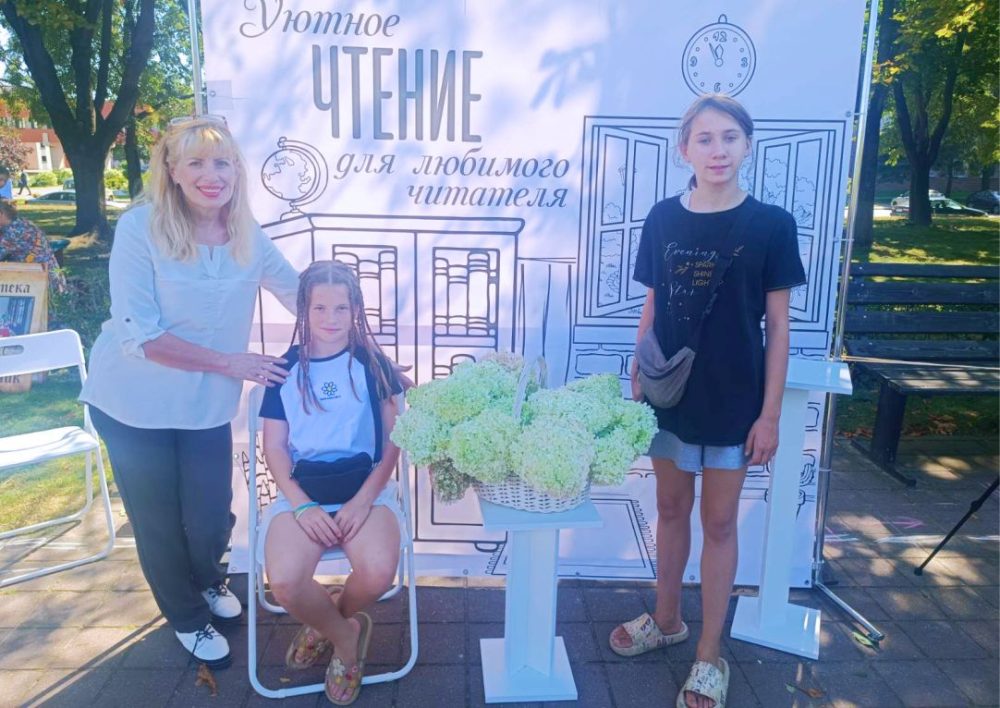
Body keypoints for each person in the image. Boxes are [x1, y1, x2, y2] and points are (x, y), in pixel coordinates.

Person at [80, 116, 301, 669]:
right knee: (158, 522)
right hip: (132, 403)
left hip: (204, 404)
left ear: (237, 172)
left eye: (222, 162)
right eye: (196, 162)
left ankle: (207, 580)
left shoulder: (248, 235)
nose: (211, 174)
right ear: (172, 171)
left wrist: (366, 351)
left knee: (209, 516)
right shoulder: (140, 228)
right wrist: (231, 362)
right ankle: (186, 617)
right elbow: (140, 333)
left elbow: (304, 295)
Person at [609, 94, 806, 708]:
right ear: (684, 149)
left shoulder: (772, 225)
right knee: (670, 508)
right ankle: (666, 619)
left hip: (735, 399)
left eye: (729, 137)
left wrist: (769, 414)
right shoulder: (662, 218)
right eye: (704, 138)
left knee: (719, 523)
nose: (718, 150)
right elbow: (653, 302)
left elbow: (779, 327)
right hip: (670, 393)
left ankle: (708, 654)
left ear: (747, 145)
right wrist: (638, 365)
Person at [259, 260, 403, 706]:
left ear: (356, 309)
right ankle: (345, 637)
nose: (331, 319)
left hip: (366, 488)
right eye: (319, 308)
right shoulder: (285, 369)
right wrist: (302, 506)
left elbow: (395, 439)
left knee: (378, 572)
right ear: (303, 309)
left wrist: (363, 500)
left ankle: (325, 622)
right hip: (305, 492)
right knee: (285, 582)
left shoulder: (373, 364)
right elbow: (275, 447)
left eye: (341, 308)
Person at [0, 199, 67, 292]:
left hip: (40, 285)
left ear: (1, 213)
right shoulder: (24, 223)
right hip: (53, 278)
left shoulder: (12, 233)